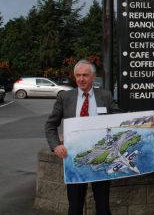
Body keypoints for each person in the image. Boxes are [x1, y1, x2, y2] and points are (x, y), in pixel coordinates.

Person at [45, 59, 118, 215]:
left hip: (101, 158)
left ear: (93, 77)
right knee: (75, 206)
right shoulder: (65, 98)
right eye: (78, 75)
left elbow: (120, 118)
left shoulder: (105, 96)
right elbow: (50, 125)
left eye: (85, 75)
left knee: (103, 206)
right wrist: (56, 145)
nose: (81, 79)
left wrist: (144, 122)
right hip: (74, 159)